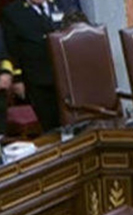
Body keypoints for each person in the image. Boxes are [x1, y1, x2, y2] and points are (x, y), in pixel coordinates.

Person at [2, 0, 79, 131]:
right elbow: (12, 49)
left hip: (65, 76)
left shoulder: (61, 5)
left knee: (75, 122)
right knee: (51, 126)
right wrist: (17, 79)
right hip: (37, 78)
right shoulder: (13, 12)